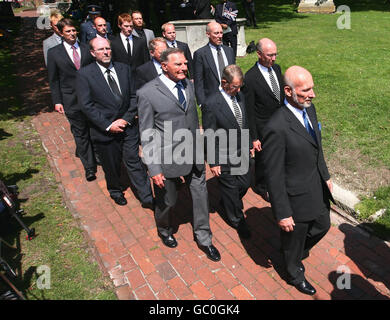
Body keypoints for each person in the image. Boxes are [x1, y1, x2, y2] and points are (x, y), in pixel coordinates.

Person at [137, 48, 221, 262]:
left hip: (193, 153)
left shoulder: (188, 85)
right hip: (167, 159)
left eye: (185, 64)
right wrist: (154, 168)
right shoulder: (147, 93)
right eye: (179, 65)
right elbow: (147, 134)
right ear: (164, 66)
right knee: (169, 201)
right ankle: (164, 228)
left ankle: (204, 238)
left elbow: (192, 119)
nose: (184, 68)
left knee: (201, 196)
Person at [261, 66, 334, 295]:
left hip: (315, 186)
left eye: (312, 88)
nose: (313, 95)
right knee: (293, 242)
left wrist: (326, 175)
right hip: (294, 198)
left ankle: (296, 250)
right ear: (288, 91)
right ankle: (293, 272)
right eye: (306, 90)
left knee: (323, 225)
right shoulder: (276, 127)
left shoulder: (309, 110)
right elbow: (273, 174)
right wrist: (282, 212)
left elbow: (317, 148)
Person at [76, 37, 154, 209]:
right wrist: (109, 125)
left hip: (127, 126)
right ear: (92, 53)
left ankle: (146, 196)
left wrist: (126, 119)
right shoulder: (85, 74)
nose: (106, 52)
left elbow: (134, 96)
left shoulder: (124, 69)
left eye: (108, 48)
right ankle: (115, 190)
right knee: (111, 165)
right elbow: (86, 106)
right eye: (101, 49)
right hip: (105, 130)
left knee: (133, 160)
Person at [202, 65, 252, 239]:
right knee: (230, 189)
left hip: (242, 151)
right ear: (224, 82)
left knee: (245, 184)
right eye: (235, 87)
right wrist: (214, 162)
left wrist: (250, 141)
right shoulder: (211, 104)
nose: (238, 90)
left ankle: (228, 200)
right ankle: (237, 220)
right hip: (223, 154)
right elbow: (209, 135)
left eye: (240, 86)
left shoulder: (241, 97)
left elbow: (244, 122)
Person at [47, 18, 97, 182]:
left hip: (90, 98)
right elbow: (54, 79)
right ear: (61, 33)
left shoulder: (85, 49)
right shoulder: (54, 53)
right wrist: (57, 100)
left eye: (74, 30)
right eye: (68, 31)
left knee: (94, 129)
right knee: (80, 133)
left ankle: (97, 155)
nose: (72, 34)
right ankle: (89, 167)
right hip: (71, 100)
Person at [243, 38, 284, 201]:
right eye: (270, 55)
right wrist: (254, 137)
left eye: (275, 54)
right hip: (263, 127)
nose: (274, 58)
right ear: (259, 54)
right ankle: (261, 185)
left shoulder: (277, 68)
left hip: (280, 123)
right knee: (263, 159)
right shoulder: (251, 78)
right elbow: (249, 110)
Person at [193, 21, 235, 107]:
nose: (220, 36)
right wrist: (202, 103)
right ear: (208, 34)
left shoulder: (229, 51)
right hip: (211, 100)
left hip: (231, 96)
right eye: (216, 33)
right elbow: (198, 81)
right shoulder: (200, 54)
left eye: (221, 33)